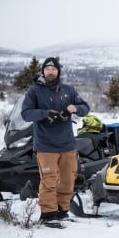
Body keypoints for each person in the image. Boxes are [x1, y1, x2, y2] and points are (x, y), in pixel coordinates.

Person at [21, 57, 90, 224]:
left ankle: (62, 211)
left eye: (53, 69)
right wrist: (45, 113)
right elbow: (26, 113)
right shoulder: (34, 91)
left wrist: (76, 108)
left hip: (67, 144)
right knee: (49, 180)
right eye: (47, 69)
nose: (50, 71)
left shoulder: (68, 90)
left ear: (58, 71)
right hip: (46, 145)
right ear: (43, 71)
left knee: (67, 181)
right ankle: (48, 214)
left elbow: (85, 108)